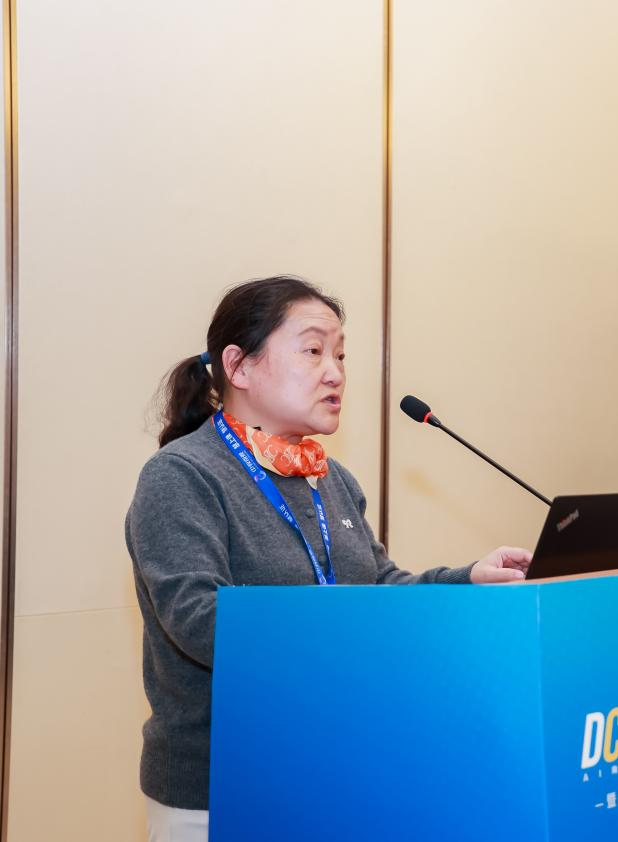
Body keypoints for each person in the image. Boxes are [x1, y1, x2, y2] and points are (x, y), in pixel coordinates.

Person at [126, 277, 533, 842]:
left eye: (340, 355)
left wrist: (467, 581)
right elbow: (201, 622)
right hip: (221, 789)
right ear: (238, 366)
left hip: (333, 765)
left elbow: (378, 586)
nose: (336, 372)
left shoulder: (329, 477)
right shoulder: (182, 475)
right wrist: (346, 622)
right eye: (313, 350)